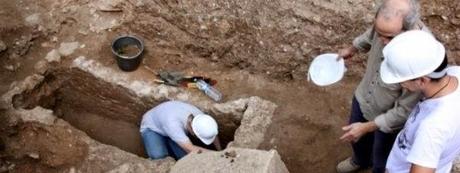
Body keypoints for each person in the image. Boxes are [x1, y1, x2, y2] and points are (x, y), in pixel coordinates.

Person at [336, 0, 429, 172]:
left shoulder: (421, 58)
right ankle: (360, 161)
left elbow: (404, 111)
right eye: (380, 34)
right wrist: (352, 48)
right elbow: (370, 35)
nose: (382, 41)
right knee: (357, 139)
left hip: (389, 119)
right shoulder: (386, 28)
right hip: (364, 97)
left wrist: (367, 127)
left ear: (409, 30)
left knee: (382, 159)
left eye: (389, 37)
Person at [139, 100, 222, 160]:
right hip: (152, 128)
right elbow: (191, 149)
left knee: (184, 158)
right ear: (193, 131)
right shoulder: (173, 124)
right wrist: (216, 155)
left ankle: (170, 142)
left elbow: (213, 133)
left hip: (166, 125)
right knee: (159, 157)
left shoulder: (201, 118)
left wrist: (220, 151)